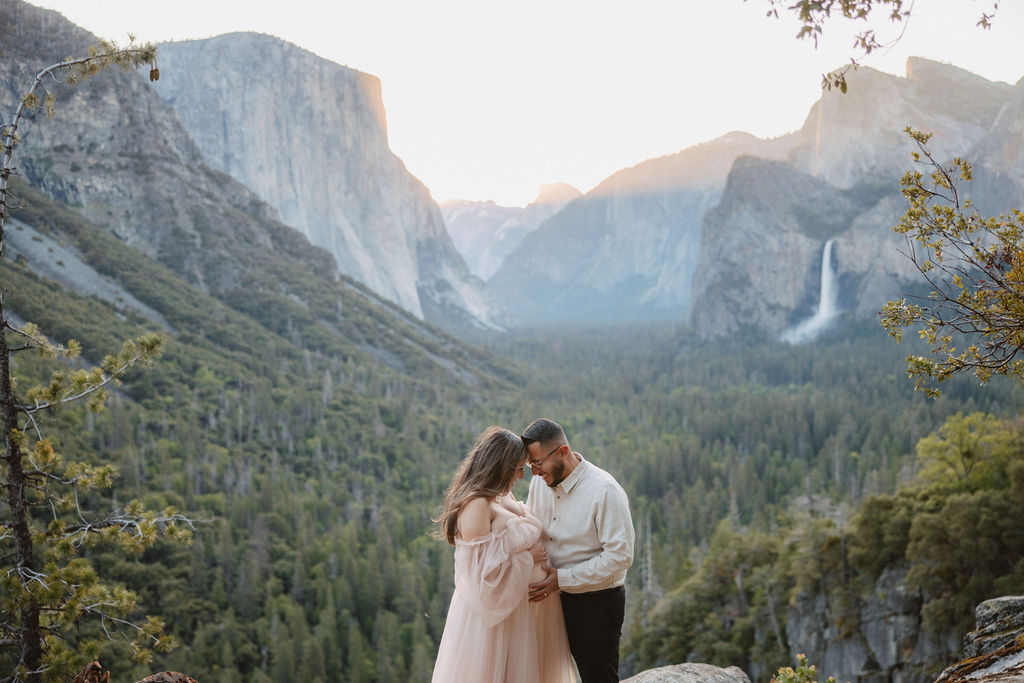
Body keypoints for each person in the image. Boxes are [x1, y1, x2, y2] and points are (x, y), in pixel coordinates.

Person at [431, 426, 574, 683]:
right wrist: (529, 558)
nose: (521, 476)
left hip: (526, 615)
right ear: (500, 466)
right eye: (517, 468)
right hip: (498, 625)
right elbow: (482, 578)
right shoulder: (476, 505)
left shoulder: (501, 495)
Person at [523, 418, 635, 683]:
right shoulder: (540, 482)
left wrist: (562, 579)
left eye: (538, 463)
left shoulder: (605, 491)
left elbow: (620, 556)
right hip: (549, 598)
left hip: (594, 602)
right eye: (530, 465)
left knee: (597, 676)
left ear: (562, 451)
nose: (534, 472)